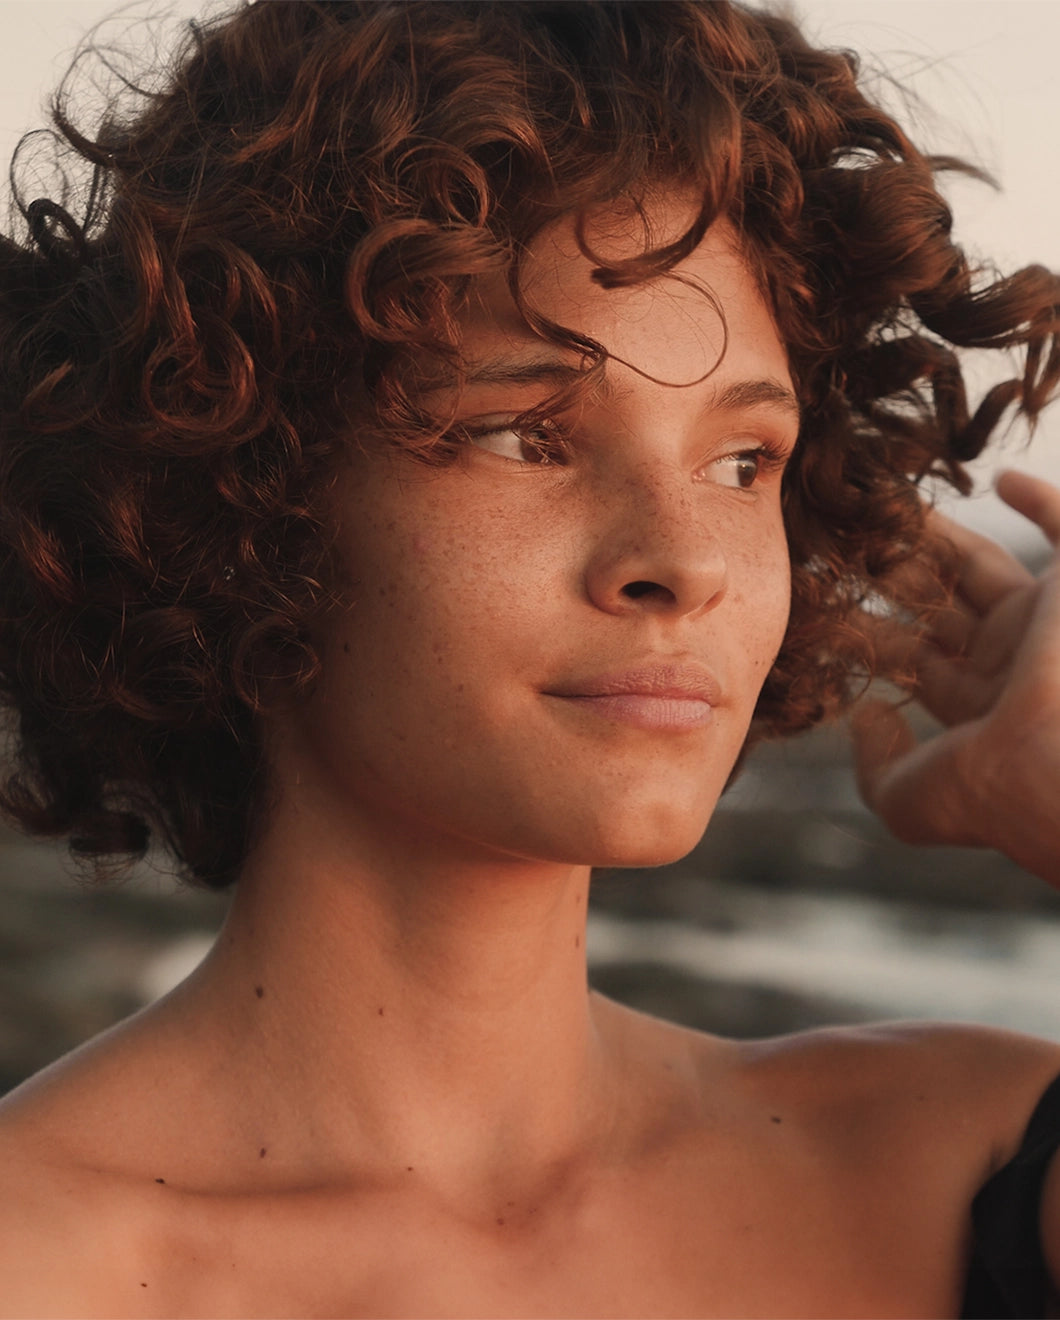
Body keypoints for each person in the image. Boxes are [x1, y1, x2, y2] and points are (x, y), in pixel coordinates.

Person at [0, 0, 1058, 1314]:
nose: (684, 560)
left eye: (743, 462)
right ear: (239, 490)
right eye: (529, 434)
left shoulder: (964, 1171)